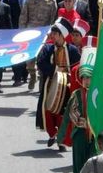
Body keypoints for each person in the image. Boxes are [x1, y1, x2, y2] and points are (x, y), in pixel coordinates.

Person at [36, 17, 81, 151]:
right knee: (48, 109)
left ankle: (61, 141)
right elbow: (41, 63)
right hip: (50, 83)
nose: (52, 36)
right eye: (52, 34)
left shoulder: (72, 50)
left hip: (67, 86)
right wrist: (54, 71)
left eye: (55, 34)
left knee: (63, 113)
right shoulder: (48, 48)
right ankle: (52, 133)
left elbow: (78, 67)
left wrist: (69, 76)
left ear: (62, 35)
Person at [58, 44, 98, 173]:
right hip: (80, 135)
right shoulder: (76, 94)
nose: (86, 80)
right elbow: (69, 115)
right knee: (80, 166)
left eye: (89, 77)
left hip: (96, 135)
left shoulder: (99, 94)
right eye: (84, 78)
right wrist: (61, 136)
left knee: (95, 165)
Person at [19, 0, 58, 90]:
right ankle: (32, 74)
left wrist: (51, 33)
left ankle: (42, 80)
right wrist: (21, 31)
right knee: (29, 57)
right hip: (30, 32)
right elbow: (23, 15)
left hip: (43, 34)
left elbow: (53, 19)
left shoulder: (51, 2)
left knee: (42, 57)